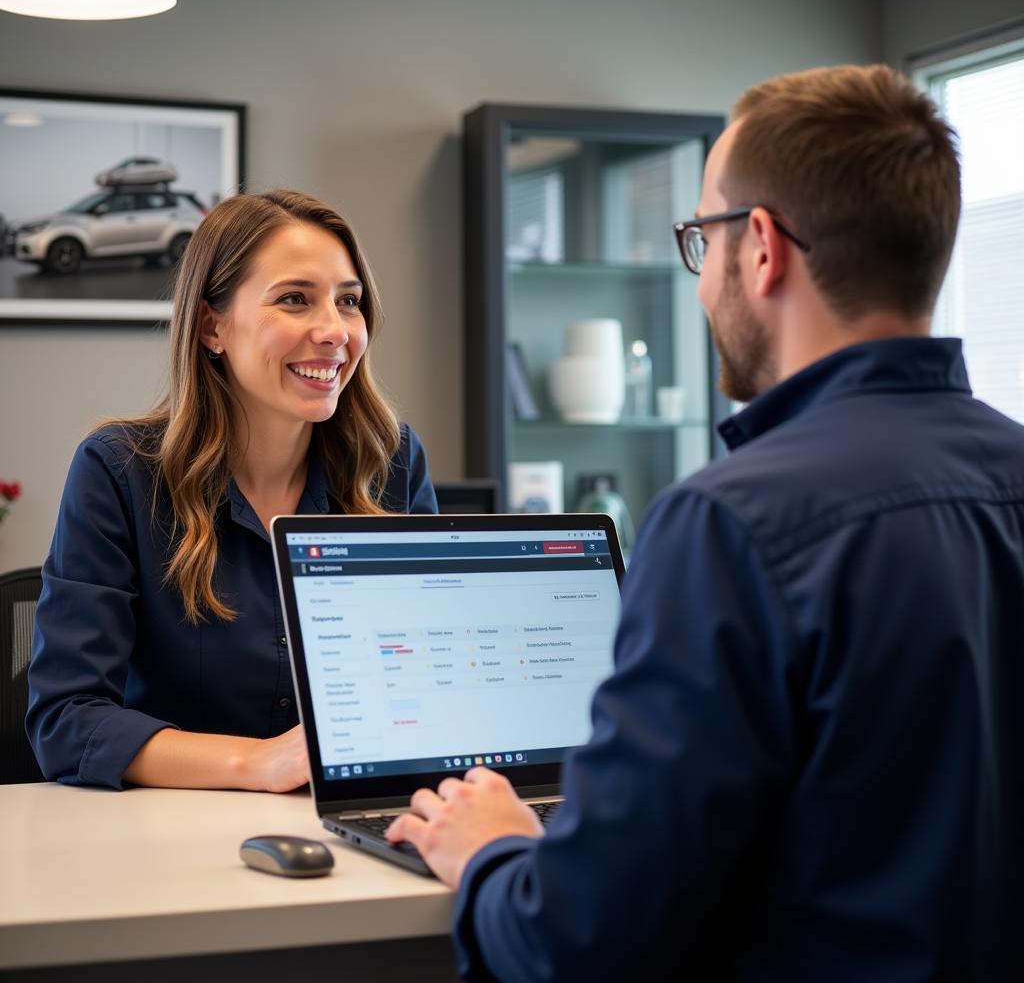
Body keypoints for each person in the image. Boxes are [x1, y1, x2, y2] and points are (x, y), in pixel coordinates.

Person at [386, 65, 1024, 979]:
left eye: (701, 238)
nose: (698, 283)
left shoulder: (732, 524)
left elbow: (580, 942)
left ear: (760, 247)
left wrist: (491, 850)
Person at [27, 189, 437, 793]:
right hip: (167, 837)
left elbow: (426, 682)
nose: (333, 330)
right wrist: (258, 763)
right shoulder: (118, 472)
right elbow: (66, 720)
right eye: (294, 299)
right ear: (211, 325)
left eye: (348, 302)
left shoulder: (392, 463)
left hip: (350, 821)